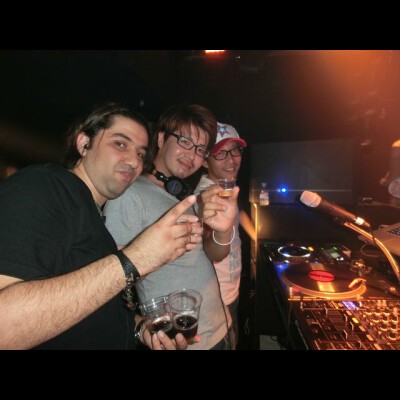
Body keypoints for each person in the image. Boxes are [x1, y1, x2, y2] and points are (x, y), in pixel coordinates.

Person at [0, 102, 200, 350]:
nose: (134, 161)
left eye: (140, 154)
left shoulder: (97, 222)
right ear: (84, 143)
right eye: (120, 144)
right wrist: (137, 259)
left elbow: (87, 303)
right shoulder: (44, 186)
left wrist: (139, 329)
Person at [105, 104, 238, 350]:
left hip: (222, 326)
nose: (192, 155)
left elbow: (214, 255)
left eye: (200, 149)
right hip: (187, 342)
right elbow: (111, 284)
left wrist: (223, 230)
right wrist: (156, 252)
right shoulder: (129, 195)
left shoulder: (181, 195)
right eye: (185, 141)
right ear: (161, 138)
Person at [194, 122, 255, 349]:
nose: (231, 160)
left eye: (235, 150)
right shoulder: (206, 198)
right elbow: (214, 252)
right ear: (205, 160)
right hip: (217, 296)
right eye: (220, 153)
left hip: (230, 288)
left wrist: (256, 237)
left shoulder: (225, 188)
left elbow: (239, 215)